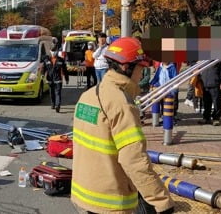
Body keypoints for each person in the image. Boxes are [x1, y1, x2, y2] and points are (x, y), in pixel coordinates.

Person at [72, 37, 174, 214]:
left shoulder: (88, 96)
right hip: (110, 201)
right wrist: (161, 201)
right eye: (141, 68)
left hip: (83, 193)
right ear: (127, 67)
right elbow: (134, 160)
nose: (141, 75)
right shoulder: (122, 104)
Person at [198, 60, 221, 126]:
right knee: (206, 102)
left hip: (215, 83)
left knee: (216, 102)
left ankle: (216, 118)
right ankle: (206, 117)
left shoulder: (220, 59)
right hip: (205, 83)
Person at [42, 45, 69, 113]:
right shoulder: (46, 59)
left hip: (58, 79)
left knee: (58, 93)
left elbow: (65, 70)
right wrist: (42, 75)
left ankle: (58, 106)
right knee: (51, 93)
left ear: (57, 51)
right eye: (52, 51)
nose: (53, 52)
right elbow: (44, 68)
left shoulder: (61, 60)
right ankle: (53, 104)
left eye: (55, 51)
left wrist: (67, 78)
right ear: (50, 51)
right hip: (50, 79)